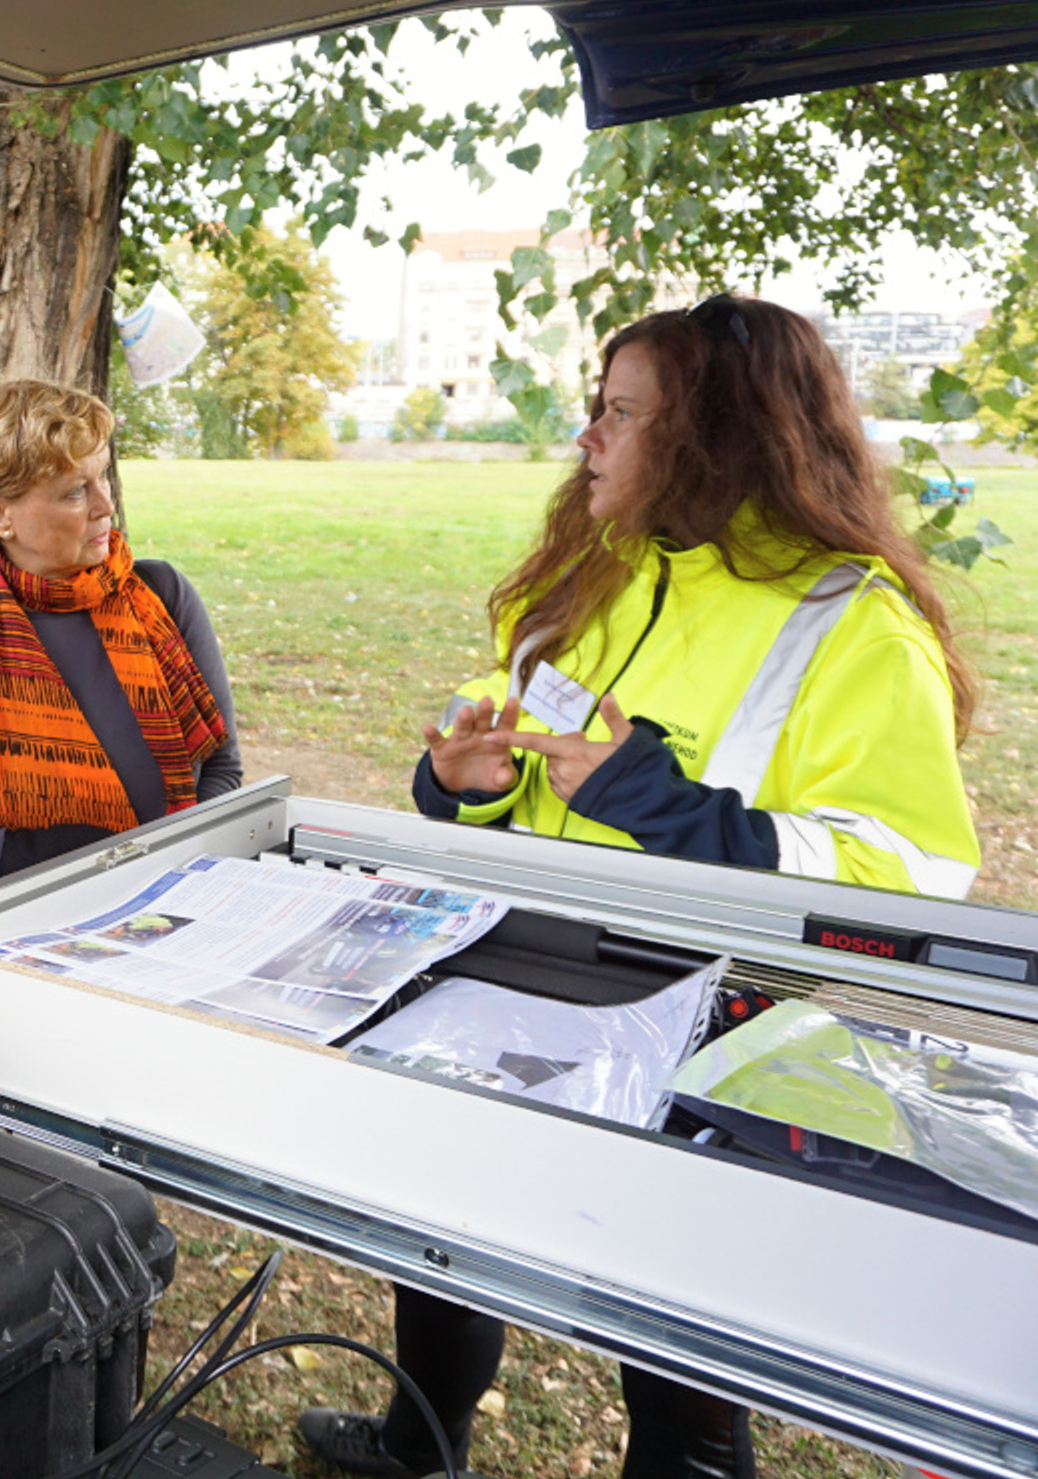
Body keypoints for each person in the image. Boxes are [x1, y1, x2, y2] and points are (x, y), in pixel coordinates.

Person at [298, 295, 982, 1479]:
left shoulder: (854, 629)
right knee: (448, 1237)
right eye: (596, 408)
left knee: (667, 1327)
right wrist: (459, 776)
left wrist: (667, 805)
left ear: (720, 433)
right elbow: (519, 741)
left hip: (703, 1027)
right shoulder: (598, 574)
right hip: (517, 978)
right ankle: (419, 1444)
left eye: (621, 414)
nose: (589, 439)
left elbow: (909, 876)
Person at [0, 378, 242, 903]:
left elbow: (221, 767)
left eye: (102, 478)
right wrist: (137, 869)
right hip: (3, 936)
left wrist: (174, 883)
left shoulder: (160, 596)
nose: (106, 506)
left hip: (174, 906)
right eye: (76, 491)